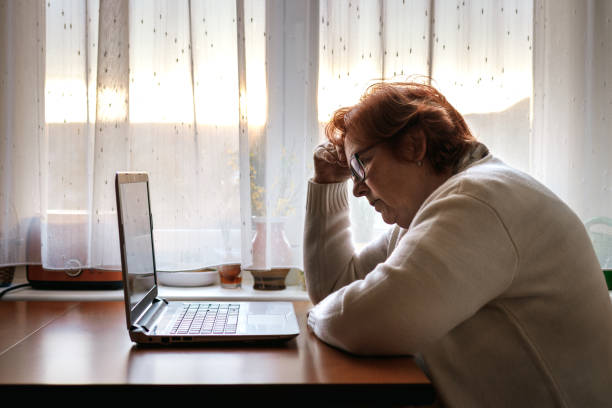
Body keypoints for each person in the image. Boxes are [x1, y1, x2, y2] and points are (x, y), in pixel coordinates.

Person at [303, 81, 612, 407]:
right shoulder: (433, 208)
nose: (357, 189)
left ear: (413, 145)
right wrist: (327, 182)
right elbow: (335, 289)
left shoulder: (478, 201)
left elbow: (372, 320)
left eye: (361, 164)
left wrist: (315, 317)